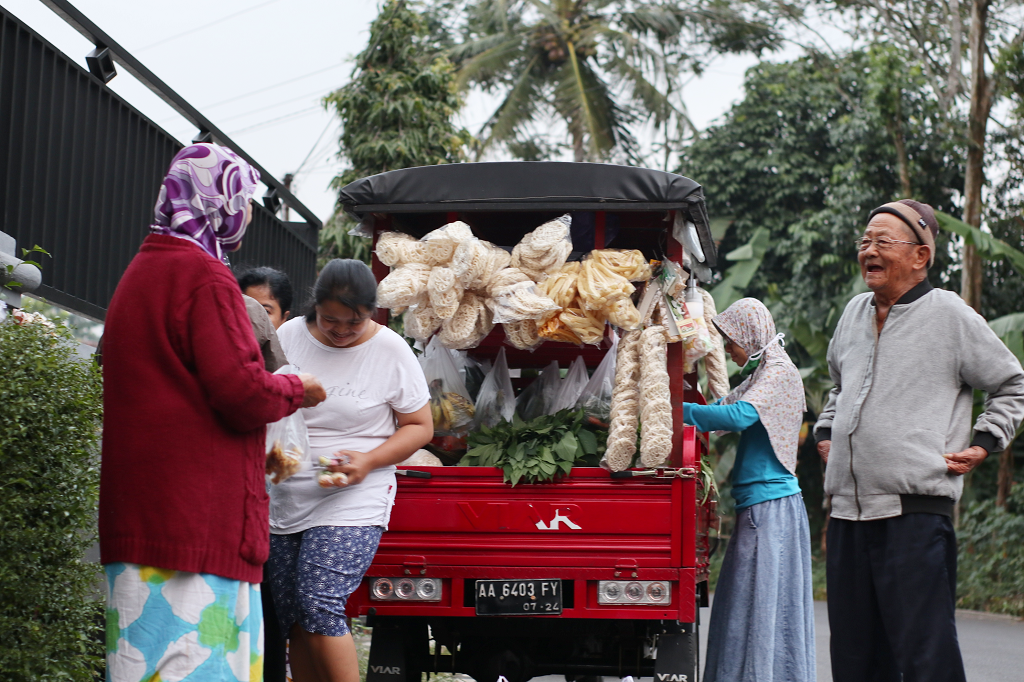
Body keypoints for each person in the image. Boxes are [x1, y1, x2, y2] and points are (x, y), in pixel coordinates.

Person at [100, 143, 327, 682]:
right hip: (194, 526)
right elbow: (242, 393)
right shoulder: (204, 276)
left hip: (141, 517)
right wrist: (296, 387)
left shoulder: (142, 271)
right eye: (240, 197)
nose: (244, 212)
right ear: (217, 201)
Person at [814, 199, 1024, 682]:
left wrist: (986, 439)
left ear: (919, 256)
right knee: (854, 659)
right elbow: (838, 386)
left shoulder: (948, 314)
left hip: (914, 515)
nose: (868, 250)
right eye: (865, 241)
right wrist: (827, 430)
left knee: (924, 659)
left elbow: (1012, 383)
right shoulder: (852, 314)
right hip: (848, 514)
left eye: (882, 242)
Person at [267, 258, 433, 682]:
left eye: (353, 322)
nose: (341, 331)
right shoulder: (288, 336)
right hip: (285, 493)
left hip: (355, 495)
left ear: (372, 313)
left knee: (320, 602)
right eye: (329, 321)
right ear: (313, 308)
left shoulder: (391, 349)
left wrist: (367, 461)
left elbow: (420, 426)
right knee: (294, 616)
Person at [683, 298, 815, 682]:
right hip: (761, 506)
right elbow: (726, 404)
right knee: (747, 603)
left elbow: (738, 416)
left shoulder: (779, 372)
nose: (727, 349)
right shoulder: (762, 374)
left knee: (757, 606)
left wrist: (680, 411)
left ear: (749, 335)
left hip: (771, 507)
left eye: (730, 340)